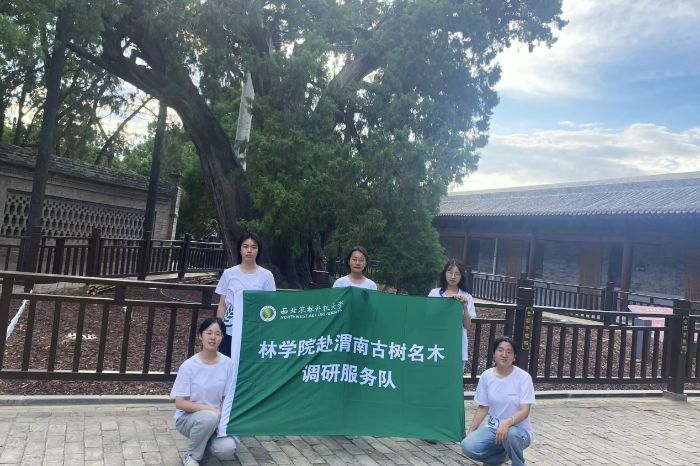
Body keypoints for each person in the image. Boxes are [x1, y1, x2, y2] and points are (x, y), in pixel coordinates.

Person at [171, 317, 238, 466]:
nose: (213, 337)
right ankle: (192, 456)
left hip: (218, 418)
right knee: (208, 418)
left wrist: (222, 420)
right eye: (209, 333)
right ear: (200, 336)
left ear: (222, 338)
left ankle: (204, 441)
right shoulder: (188, 366)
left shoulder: (228, 364)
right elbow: (180, 403)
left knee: (226, 450)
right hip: (189, 419)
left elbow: (227, 397)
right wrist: (210, 410)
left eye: (218, 334)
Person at [461, 336, 536, 466]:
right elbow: (483, 407)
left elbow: (525, 411)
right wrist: (471, 432)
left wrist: (507, 423)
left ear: (514, 357)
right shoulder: (486, 376)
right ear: (494, 354)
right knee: (467, 446)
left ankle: (518, 463)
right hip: (493, 428)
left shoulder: (523, 377)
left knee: (511, 434)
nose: (504, 354)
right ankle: (501, 457)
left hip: (519, 431)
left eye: (509, 351)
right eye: (500, 350)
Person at [215, 232, 276, 357]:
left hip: (255, 332)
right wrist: (219, 329)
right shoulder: (229, 274)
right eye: (245, 246)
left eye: (253, 247)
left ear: (258, 251)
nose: (249, 250)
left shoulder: (266, 276)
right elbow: (222, 305)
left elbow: (270, 306)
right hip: (230, 331)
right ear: (240, 249)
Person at [428, 258, 476, 370]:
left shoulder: (467, 297)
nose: (453, 276)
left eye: (457, 273)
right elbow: (428, 317)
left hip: (457, 346)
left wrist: (464, 306)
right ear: (444, 273)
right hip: (435, 345)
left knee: (454, 377)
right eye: (450, 272)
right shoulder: (434, 293)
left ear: (461, 276)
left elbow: (467, 326)